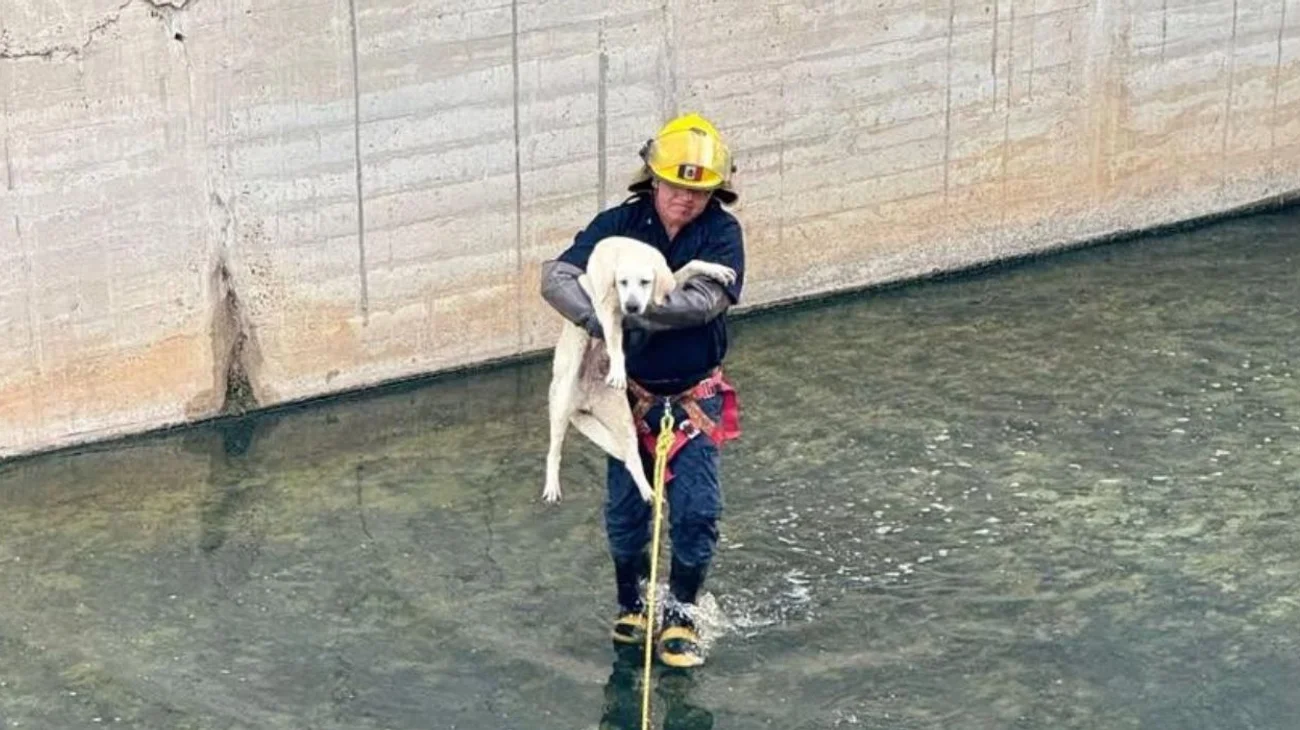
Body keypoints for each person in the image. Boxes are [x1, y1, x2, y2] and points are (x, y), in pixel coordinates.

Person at [539, 112, 745, 668]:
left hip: (691, 395)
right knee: (627, 513)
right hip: (625, 396)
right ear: (654, 179)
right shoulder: (615, 226)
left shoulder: (721, 233)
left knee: (698, 511)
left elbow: (705, 301)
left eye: (698, 191)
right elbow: (556, 277)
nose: (685, 199)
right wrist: (597, 319)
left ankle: (681, 613)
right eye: (676, 186)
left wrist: (629, 314)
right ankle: (631, 603)